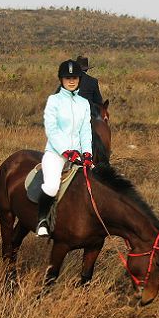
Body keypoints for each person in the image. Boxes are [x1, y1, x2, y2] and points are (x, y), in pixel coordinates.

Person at [37, 59, 95, 237]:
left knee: (97, 183)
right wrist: (65, 151)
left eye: (75, 77)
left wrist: (87, 153)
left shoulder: (84, 103)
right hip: (56, 153)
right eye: (67, 77)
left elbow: (86, 130)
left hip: (78, 154)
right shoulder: (54, 101)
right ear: (61, 79)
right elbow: (52, 130)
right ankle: (43, 220)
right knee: (53, 186)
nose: (72, 81)